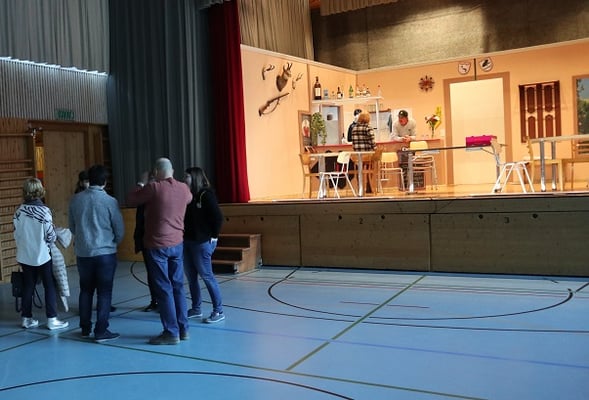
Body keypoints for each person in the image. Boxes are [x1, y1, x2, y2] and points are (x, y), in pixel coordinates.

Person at [127, 157, 192, 345]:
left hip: (157, 246)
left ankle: (171, 332)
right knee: (178, 286)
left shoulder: (153, 187)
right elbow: (188, 199)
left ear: (156, 172)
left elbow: (130, 200)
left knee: (164, 288)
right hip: (177, 243)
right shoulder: (184, 188)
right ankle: (183, 329)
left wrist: (141, 182)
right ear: (172, 171)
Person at [69, 165, 124, 343]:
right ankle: (101, 330)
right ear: (105, 182)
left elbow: (72, 227)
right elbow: (119, 229)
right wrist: (113, 242)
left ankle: (85, 328)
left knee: (85, 290)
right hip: (105, 252)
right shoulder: (110, 201)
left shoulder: (76, 200)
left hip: (84, 253)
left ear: (89, 180)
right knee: (104, 292)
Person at [13, 178, 69, 331]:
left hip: (25, 255)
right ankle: (52, 319)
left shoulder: (19, 211)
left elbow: (16, 235)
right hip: (42, 255)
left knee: (28, 285)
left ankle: (26, 319)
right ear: (40, 191)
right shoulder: (44, 211)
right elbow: (50, 236)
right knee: (49, 285)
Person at [183, 167, 225, 323]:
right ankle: (196, 308)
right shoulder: (188, 196)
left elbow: (218, 218)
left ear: (195, 178)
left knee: (207, 276)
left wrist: (214, 237)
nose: (184, 179)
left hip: (201, 243)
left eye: (187, 176)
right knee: (191, 277)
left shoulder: (206, 195)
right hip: (187, 242)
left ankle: (218, 311)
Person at [133, 170, 158, 312]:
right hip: (145, 239)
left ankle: (165, 302)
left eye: (152, 179)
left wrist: (141, 184)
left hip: (158, 240)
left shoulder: (159, 193)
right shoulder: (145, 195)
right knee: (151, 272)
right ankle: (155, 300)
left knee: (162, 273)